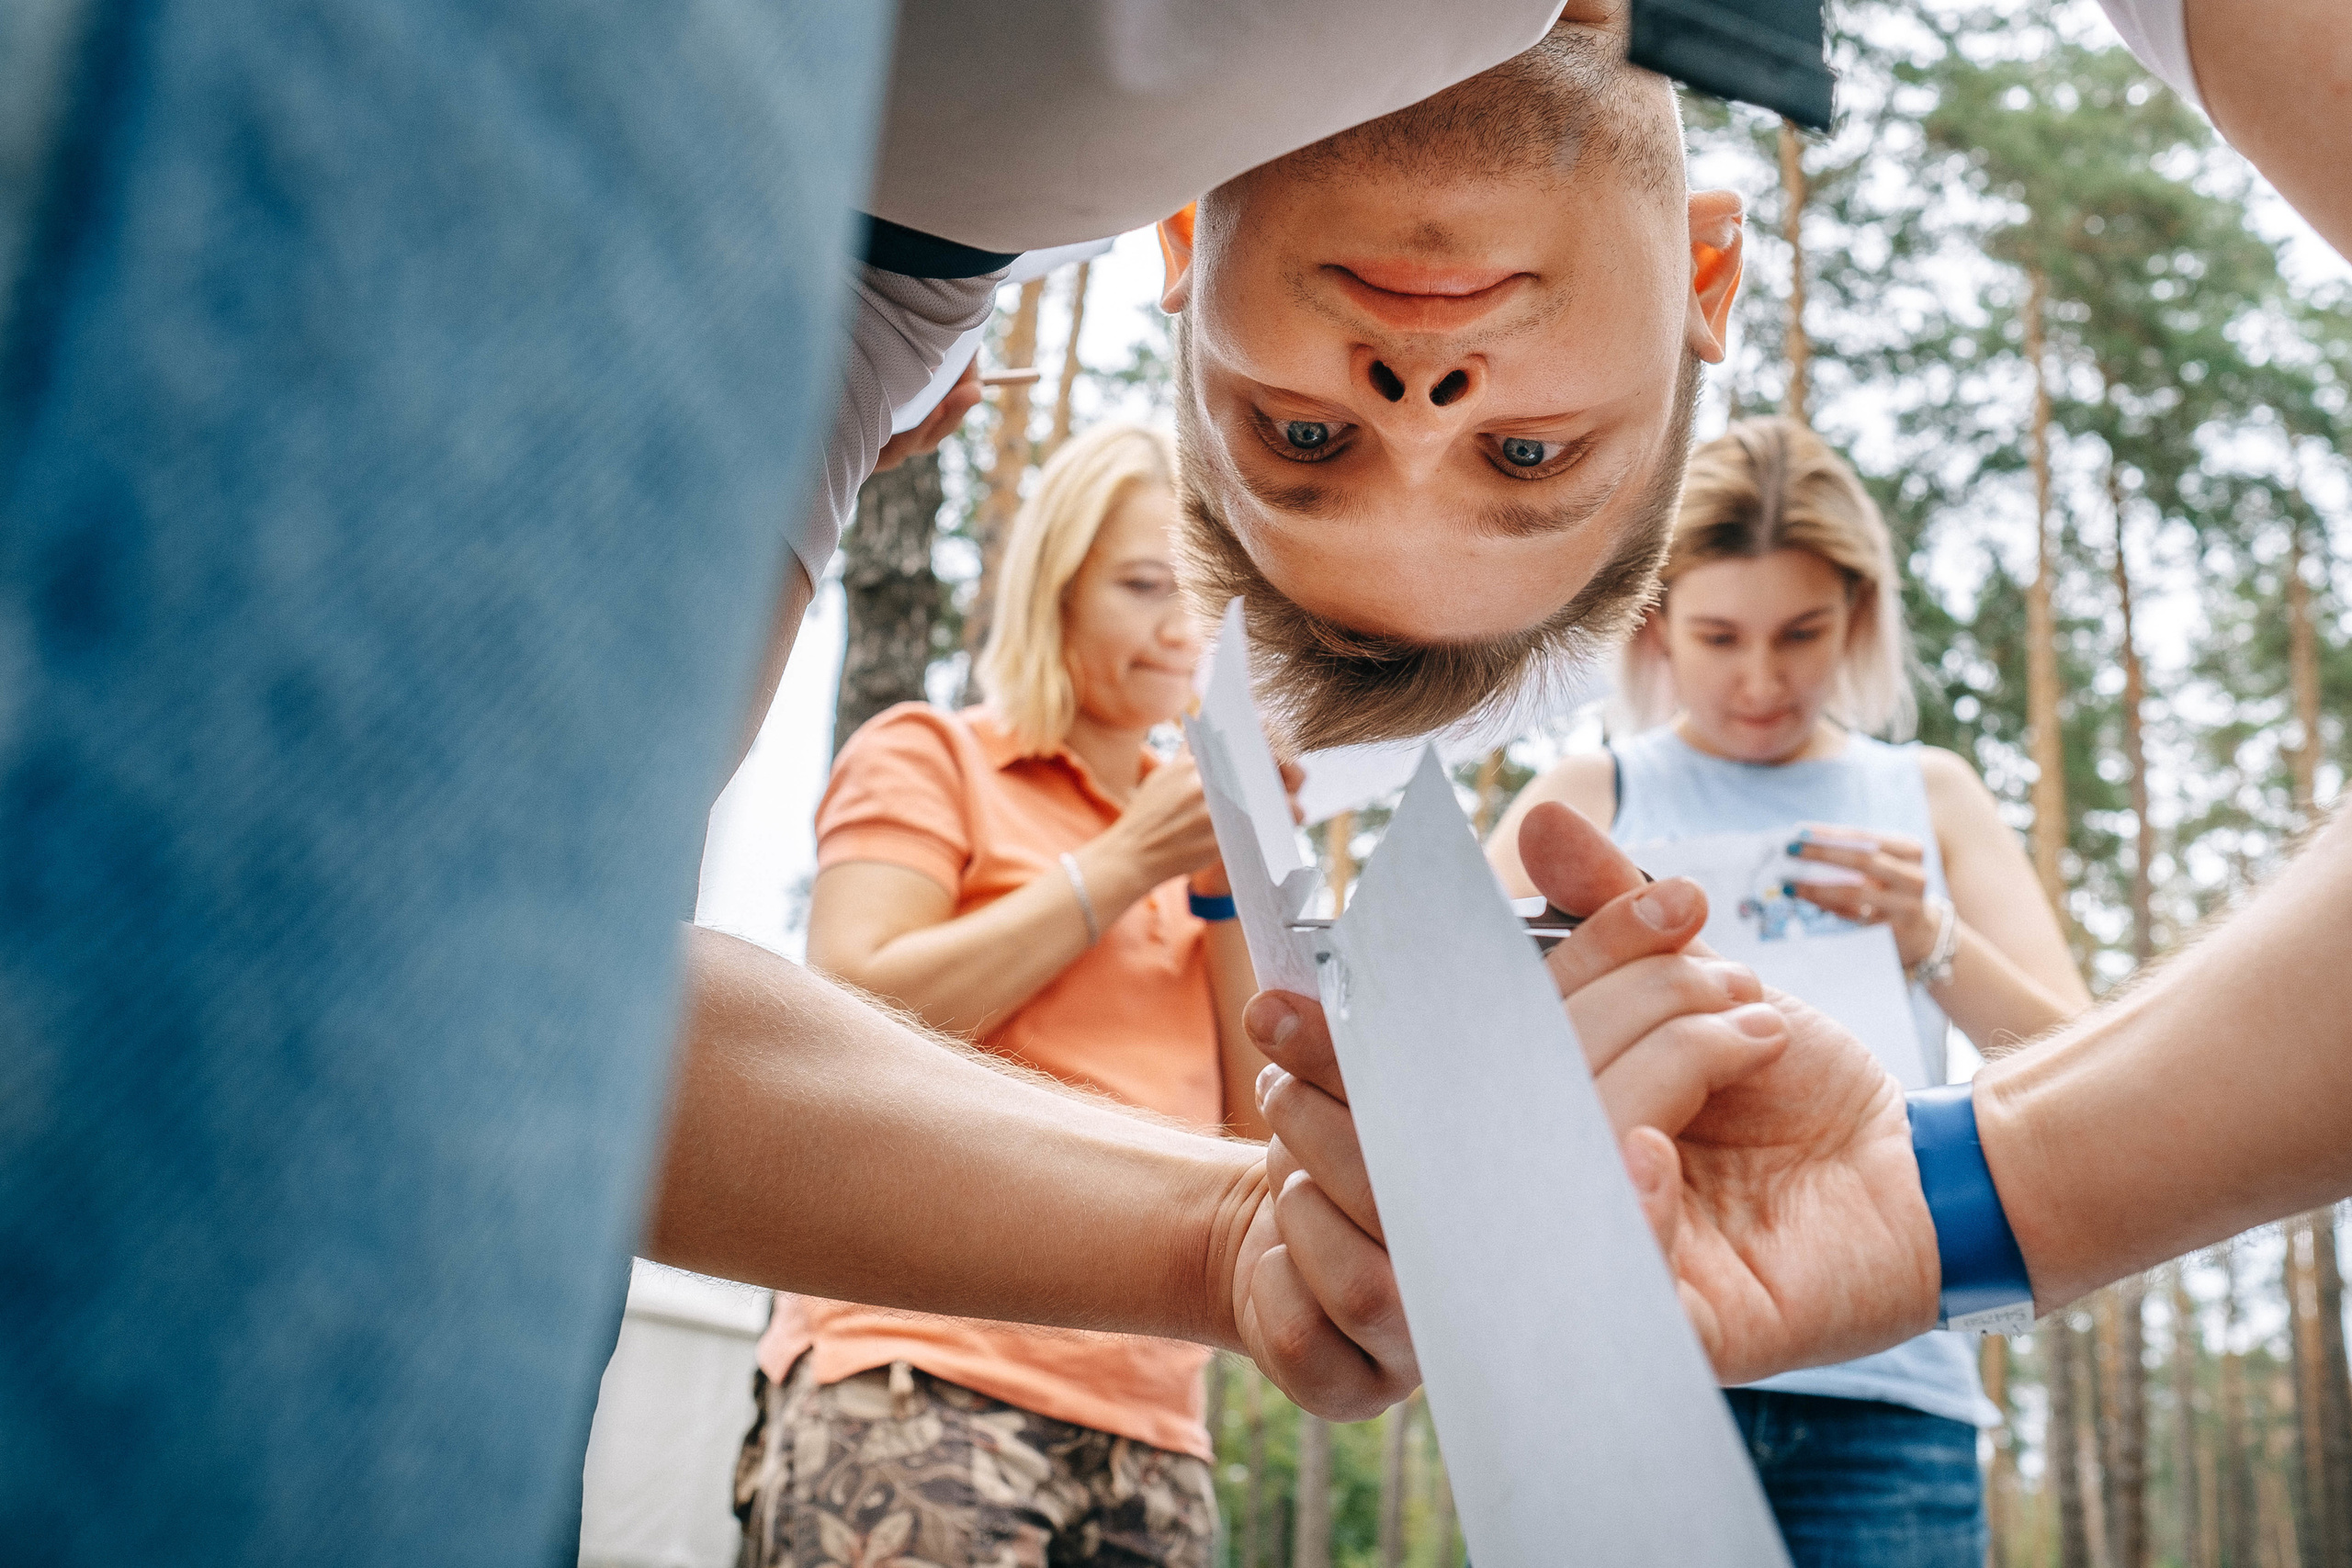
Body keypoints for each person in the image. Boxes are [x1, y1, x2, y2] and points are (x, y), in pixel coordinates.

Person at [794, 0, 1747, 753]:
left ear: (1187, 233)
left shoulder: (926, 156)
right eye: (1529, 454)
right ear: (1701, 278)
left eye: (1305, 437)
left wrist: (859, 347)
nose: (1415, 413)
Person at [1487, 417, 2088, 1567]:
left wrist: (1930, 938)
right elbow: (1443, 1038)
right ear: (1653, 621)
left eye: (1801, 633)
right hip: (1617, 1372)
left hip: (1891, 1387)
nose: (1759, 681)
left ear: (1858, 616)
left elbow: (2081, 1066)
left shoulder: (1931, 792)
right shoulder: (1583, 793)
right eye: (1718, 635)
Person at [733, 424, 1267, 1566]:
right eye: (1143, 587)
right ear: (1053, 590)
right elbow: (854, 1018)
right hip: (918, 1374)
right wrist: (1124, 864)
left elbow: (1264, 1141)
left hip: (1151, 1422)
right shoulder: (933, 756)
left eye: (1211, 597)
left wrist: (1233, 898)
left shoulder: (1210, 837)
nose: (1187, 630)